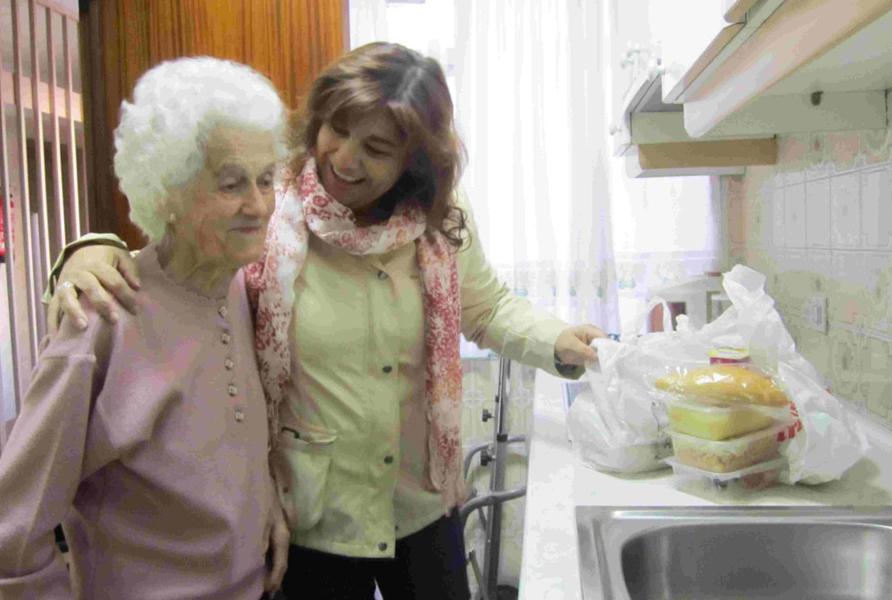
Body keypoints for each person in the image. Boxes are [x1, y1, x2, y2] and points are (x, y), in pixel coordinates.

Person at [45, 42, 605, 599]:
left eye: (377, 148)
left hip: (423, 500)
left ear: (414, 160)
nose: (343, 158)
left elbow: (486, 308)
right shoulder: (269, 208)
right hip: (312, 513)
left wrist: (560, 340)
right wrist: (88, 249)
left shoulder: (440, 220)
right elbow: (183, 256)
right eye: (337, 128)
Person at [0, 57, 291, 599]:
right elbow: (12, 536)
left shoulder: (238, 286)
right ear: (167, 193)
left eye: (268, 179)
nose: (258, 204)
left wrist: (265, 503)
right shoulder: (103, 317)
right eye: (232, 184)